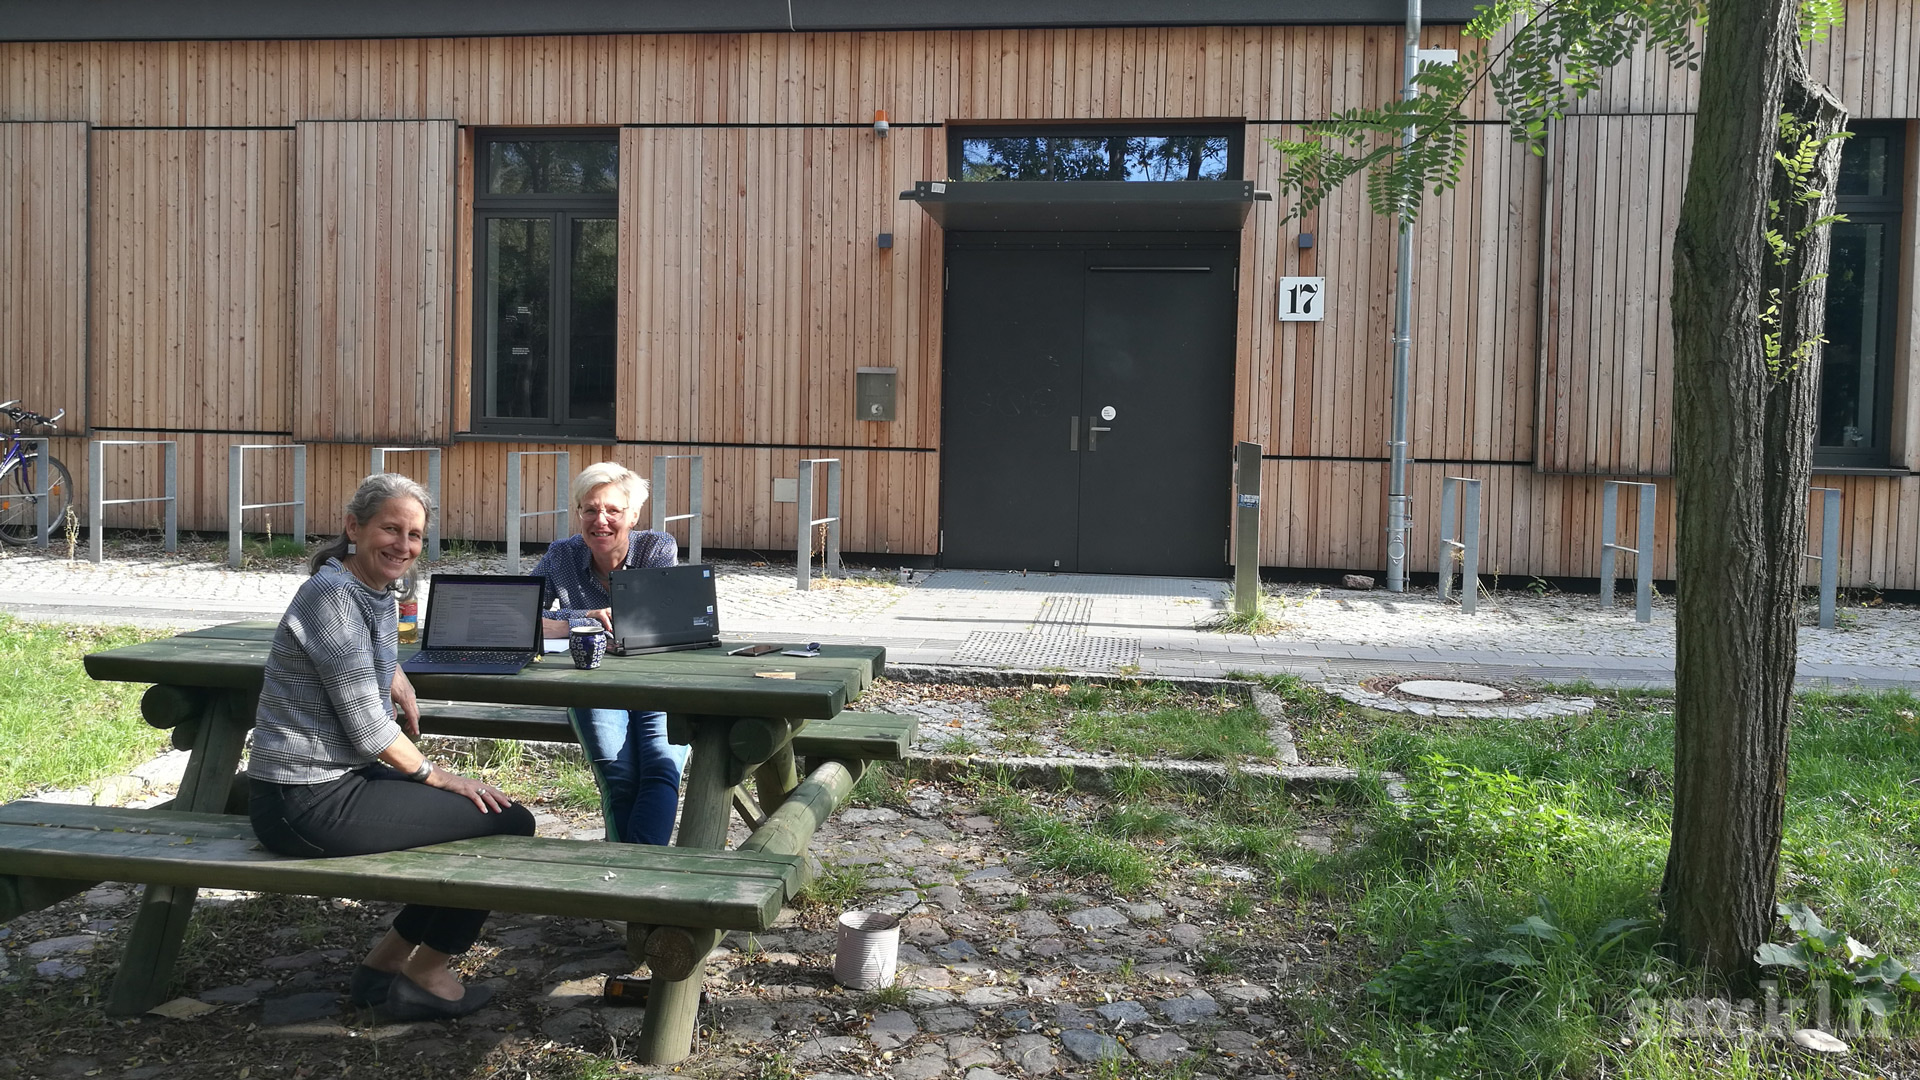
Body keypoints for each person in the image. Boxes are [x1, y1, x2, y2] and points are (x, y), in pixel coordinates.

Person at [248, 473, 536, 1021]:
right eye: (390, 529)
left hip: (332, 782)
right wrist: (438, 775)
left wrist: (392, 672)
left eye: (415, 535)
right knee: (506, 823)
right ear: (353, 527)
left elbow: (354, 663)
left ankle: (383, 967)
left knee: (479, 817)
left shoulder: (369, 588)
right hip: (303, 801)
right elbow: (368, 730)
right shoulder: (333, 597)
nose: (403, 545)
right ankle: (427, 973)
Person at [532, 461, 686, 845]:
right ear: (578, 514)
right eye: (590, 509)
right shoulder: (561, 555)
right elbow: (519, 614)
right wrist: (583, 618)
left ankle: (635, 870)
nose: (600, 520)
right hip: (593, 683)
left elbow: (650, 618)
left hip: (657, 678)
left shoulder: (657, 548)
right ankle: (627, 871)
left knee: (662, 769)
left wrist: (561, 621)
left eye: (613, 510)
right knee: (619, 775)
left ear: (633, 516)